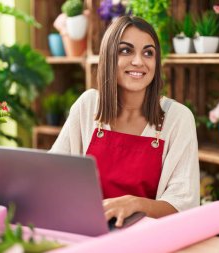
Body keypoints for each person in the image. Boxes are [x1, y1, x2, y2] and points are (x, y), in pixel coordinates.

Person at [50, 15, 200, 227]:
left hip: (147, 239)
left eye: (148, 53)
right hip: (86, 230)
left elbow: (183, 204)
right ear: (109, 57)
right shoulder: (88, 105)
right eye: (126, 50)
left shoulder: (178, 118)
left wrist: (135, 204)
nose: (139, 61)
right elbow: (53, 172)